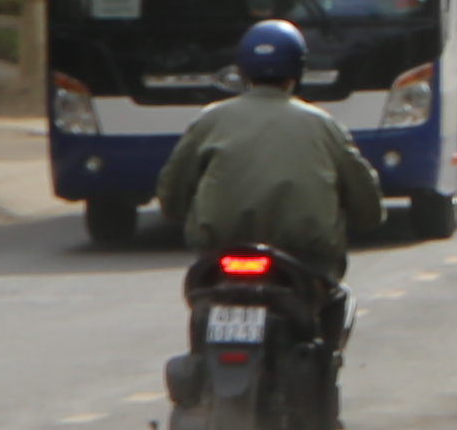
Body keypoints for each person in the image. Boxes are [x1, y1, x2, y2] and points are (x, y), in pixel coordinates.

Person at [156, 19, 384, 287]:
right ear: (298, 69)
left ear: (241, 71)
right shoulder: (323, 124)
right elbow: (364, 198)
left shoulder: (209, 120)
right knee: (333, 294)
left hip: (221, 250)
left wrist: (187, 216)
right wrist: (362, 217)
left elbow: (173, 191)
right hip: (305, 257)